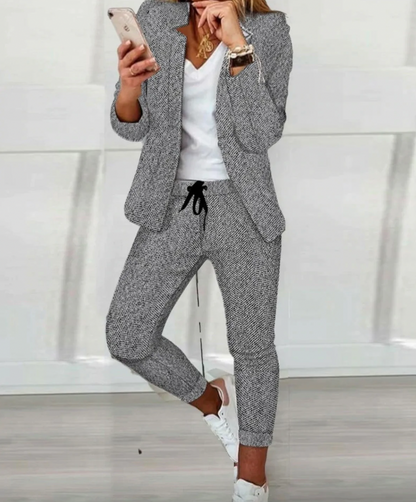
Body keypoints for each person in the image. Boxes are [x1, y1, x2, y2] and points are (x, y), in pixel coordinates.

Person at [106, 0, 293, 500]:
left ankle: (251, 478)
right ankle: (210, 399)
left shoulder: (268, 29)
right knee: (127, 334)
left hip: (244, 206)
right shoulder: (156, 16)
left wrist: (237, 46)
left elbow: (262, 132)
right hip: (171, 204)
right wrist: (128, 88)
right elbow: (131, 125)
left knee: (252, 347)